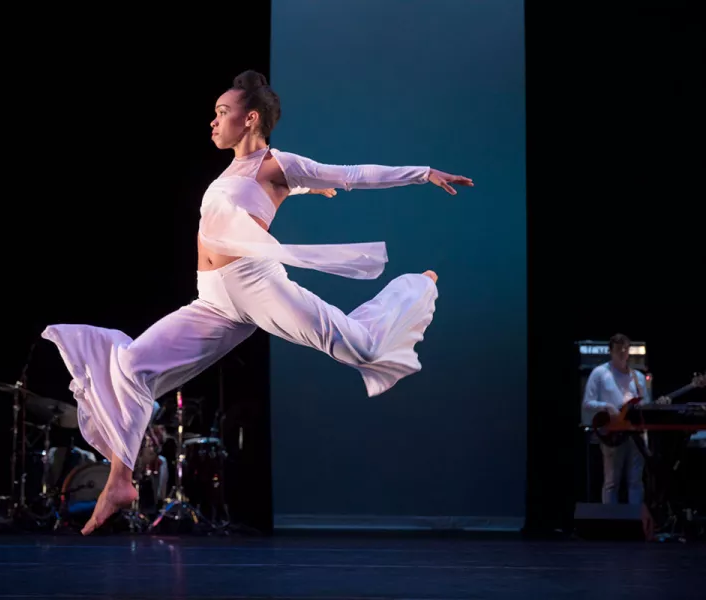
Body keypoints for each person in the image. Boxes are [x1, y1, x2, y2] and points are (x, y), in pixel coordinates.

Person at [42, 70, 473, 534]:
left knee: (364, 349)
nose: (213, 121)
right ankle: (120, 480)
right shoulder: (232, 171)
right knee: (131, 368)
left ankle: (417, 286)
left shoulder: (276, 163)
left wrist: (422, 173)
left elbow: (353, 175)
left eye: (222, 113)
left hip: (254, 285)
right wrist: (306, 188)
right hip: (212, 299)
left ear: (249, 120)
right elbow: (247, 202)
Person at [581, 333, 669, 504]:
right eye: (618, 350)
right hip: (613, 433)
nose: (622, 353)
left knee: (636, 480)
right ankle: (610, 523)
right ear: (611, 351)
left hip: (636, 433)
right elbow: (587, 402)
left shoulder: (639, 377)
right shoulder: (600, 373)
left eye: (625, 350)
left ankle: (636, 523)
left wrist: (659, 404)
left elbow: (645, 406)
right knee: (612, 481)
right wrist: (606, 406)